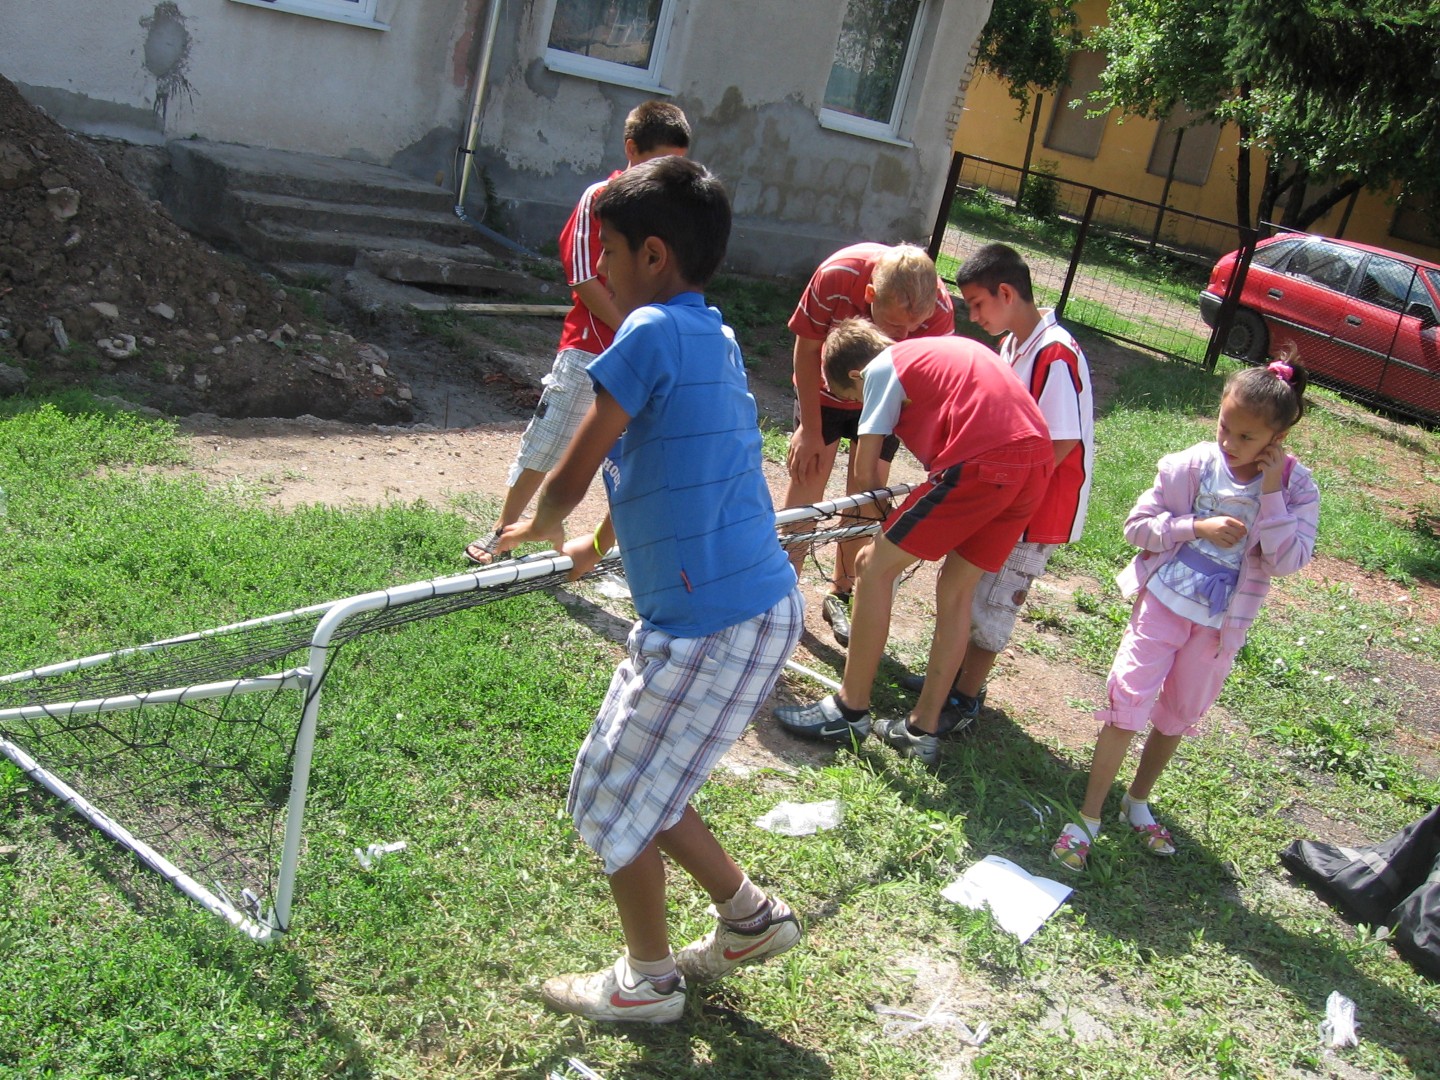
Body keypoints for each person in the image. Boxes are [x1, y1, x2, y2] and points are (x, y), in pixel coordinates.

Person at [499, 156, 805, 1023]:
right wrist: (597, 543)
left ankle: (647, 982)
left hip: (714, 621)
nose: (597, 267)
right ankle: (750, 920)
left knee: (611, 790)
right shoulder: (713, 334)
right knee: (650, 782)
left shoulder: (645, 332)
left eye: (608, 251)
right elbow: (670, 465)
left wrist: (544, 520)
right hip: (741, 610)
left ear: (654, 255)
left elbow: (585, 457)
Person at [1050, 353, 1318, 871]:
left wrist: (1271, 496)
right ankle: (1088, 817)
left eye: (1246, 437)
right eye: (1224, 426)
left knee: (1177, 715)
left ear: (1278, 437)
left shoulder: (1296, 488)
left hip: (1219, 627)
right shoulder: (1191, 466)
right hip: (1163, 605)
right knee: (1128, 704)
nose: (1229, 442)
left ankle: (1137, 802)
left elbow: (1288, 561)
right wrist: (1195, 526)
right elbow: (1137, 527)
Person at [775, 319, 1052, 769]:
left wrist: (887, 525)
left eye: (853, 399)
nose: (861, 406)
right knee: (956, 590)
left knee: (872, 566)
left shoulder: (882, 370)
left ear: (856, 376)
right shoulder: (937, 353)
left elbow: (865, 471)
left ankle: (849, 710)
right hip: (1034, 464)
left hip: (985, 459)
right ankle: (921, 729)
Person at [465, 100, 691, 563]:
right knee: (547, 441)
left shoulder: (674, 212)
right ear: (632, 149)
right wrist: (632, 329)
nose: (670, 174)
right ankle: (504, 531)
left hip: (644, 356)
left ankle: (605, 549)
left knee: (635, 456)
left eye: (678, 164)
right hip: (590, 348)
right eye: (661, 161)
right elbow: (585, 279)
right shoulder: (601, 198)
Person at [901, 243, 1095, 734]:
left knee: (993, 603)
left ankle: (965, 698)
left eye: (978, 304)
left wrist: (1008, 493)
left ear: (1006, 293)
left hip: (1032, 510)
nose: (973, 316)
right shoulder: (1013, 345)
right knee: (970, 590)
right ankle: (947, 680)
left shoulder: (1054, 352)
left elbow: (1061, 440)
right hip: (1003, 497)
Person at [781, 242, 956, 646]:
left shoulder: (939, 308)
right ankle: (782, 591)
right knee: (808, 479)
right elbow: (807, 348)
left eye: (914, 328)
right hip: (826, 392)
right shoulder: (837, 275)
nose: (904, 337)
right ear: (870, 295)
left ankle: (840, 593)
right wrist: (810, 429)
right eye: (895, 326)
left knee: (866, 495)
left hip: (888, 398)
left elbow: (930, 377)